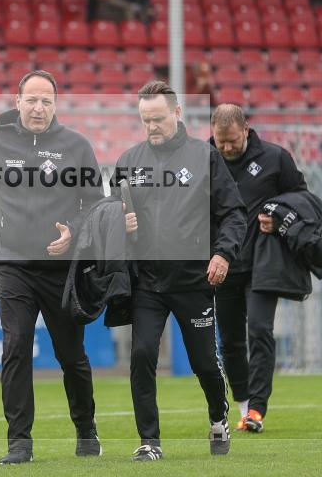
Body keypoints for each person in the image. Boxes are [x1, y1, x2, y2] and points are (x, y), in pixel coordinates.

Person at [0, 70, 104, 465]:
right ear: (17, 101)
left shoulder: (76, 146)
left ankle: (86, 430)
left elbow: (96, 204)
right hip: (12, 266)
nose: (38, 107)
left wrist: (74, 233)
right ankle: (20, 444)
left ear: (55, 105)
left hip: (61, 271)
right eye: (31, 99)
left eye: (46, 101)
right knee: (15, 349)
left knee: (71, 356)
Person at [114, 80, 247, 462]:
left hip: (194, 281)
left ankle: (218, 418)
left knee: (204, 363)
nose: (151, 126)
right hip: (147, 284)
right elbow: (109, 213)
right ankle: (149, 441)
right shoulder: (127, 161)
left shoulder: (205, 158)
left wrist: (223, 254)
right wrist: (119, 224)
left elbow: (233, 213)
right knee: (141, 354)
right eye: (145, 120)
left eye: (157, 118)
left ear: (176, 113)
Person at [209, 104, 307, 434]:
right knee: (230, 341)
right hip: (222, 265)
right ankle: (243, 406)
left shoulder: (276, 158)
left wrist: (279, 215)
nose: (226, 148)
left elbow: (301, 198)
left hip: (263, 264)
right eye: (220, 142)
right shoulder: (203, 159)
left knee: (260, 330)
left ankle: (257, 409)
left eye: (232, 141)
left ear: (246, 131)